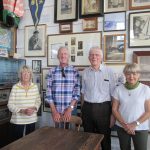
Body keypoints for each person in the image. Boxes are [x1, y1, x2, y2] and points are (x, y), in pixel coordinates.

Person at [81, 46, 116, 150]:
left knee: (105, 139)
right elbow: (83, 92)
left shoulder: (109, 71)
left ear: (101, 57)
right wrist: (83, 110)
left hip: (104, 110)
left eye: (97, 55)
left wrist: (113, 116)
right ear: (88, 57)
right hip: (87, 108)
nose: (94, 57)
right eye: (91, 55)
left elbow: (114, 95)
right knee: (88, 139)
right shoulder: (85, 72)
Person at [112, 63, 150, 150]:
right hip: (122, 127)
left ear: (139, 75)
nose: (131, 76)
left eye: (134, 73)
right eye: (128, 74)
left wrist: (134, 124)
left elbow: (148, 111)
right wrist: (125, 125)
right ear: (125, 74)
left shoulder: (146, 89)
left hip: (140, 127)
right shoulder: (118, 89)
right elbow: (114, 109)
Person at [46, 46, 80, 128]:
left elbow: (77, 92)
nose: (63, 56)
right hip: (56, 111)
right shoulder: (51, 71)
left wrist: (69, 109)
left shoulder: (75, 71)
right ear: (58, 56)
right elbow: (48, 93)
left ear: (68, 56)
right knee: (57, 136)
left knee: (71, 136)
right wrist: (54, 111)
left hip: (71, 111)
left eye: (65, 54)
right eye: (61, 54)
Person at [7, 65, 41, 141]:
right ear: (20, 75)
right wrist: (22, 111)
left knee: (30, 142)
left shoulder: (35, 87)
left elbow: (38, 101)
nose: (26, 75)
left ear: (30, 75)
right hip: (18, 120)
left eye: (28, 72)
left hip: (31, 119)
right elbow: (10, 105)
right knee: (17, 143)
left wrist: (34, 108)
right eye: (23, 73)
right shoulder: (15, 87)